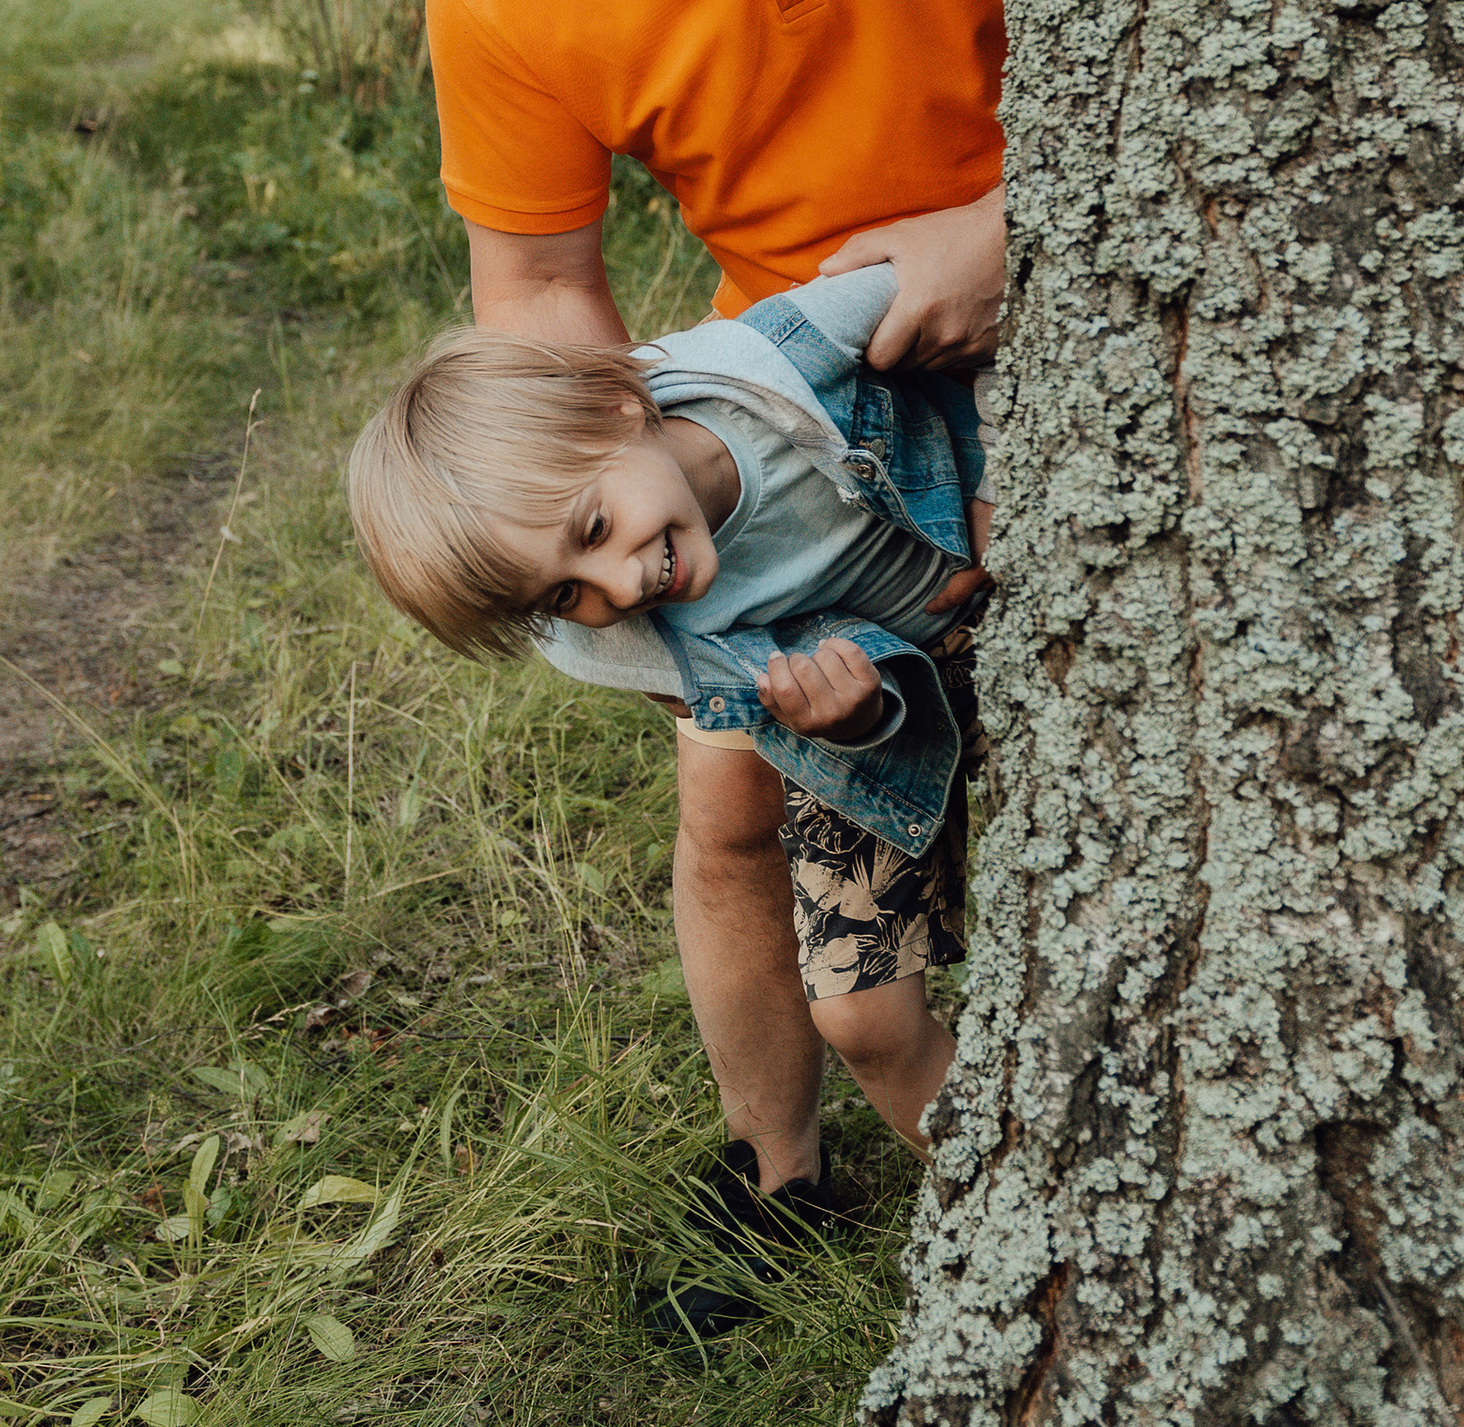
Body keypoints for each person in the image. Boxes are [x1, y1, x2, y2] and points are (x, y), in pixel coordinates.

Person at [423, 0, 1004, 1299]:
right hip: (790, 401)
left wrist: (1025, 228)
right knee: (727, 799)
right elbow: (531, 287)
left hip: (1112, 291)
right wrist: (656, 487)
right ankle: (778, 1178)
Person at [348, 261, 991, 1180]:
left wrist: (1002, 496)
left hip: (1019, 613)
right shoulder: (603, 640)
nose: (622, 585)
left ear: (618, 407)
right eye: (565, 592)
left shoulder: (780, 360)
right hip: (877, 726)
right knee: (861, 1015)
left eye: (596, 527)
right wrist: (848, 721)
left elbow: (997, 322)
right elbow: (736, 701)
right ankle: (1022, 1213)